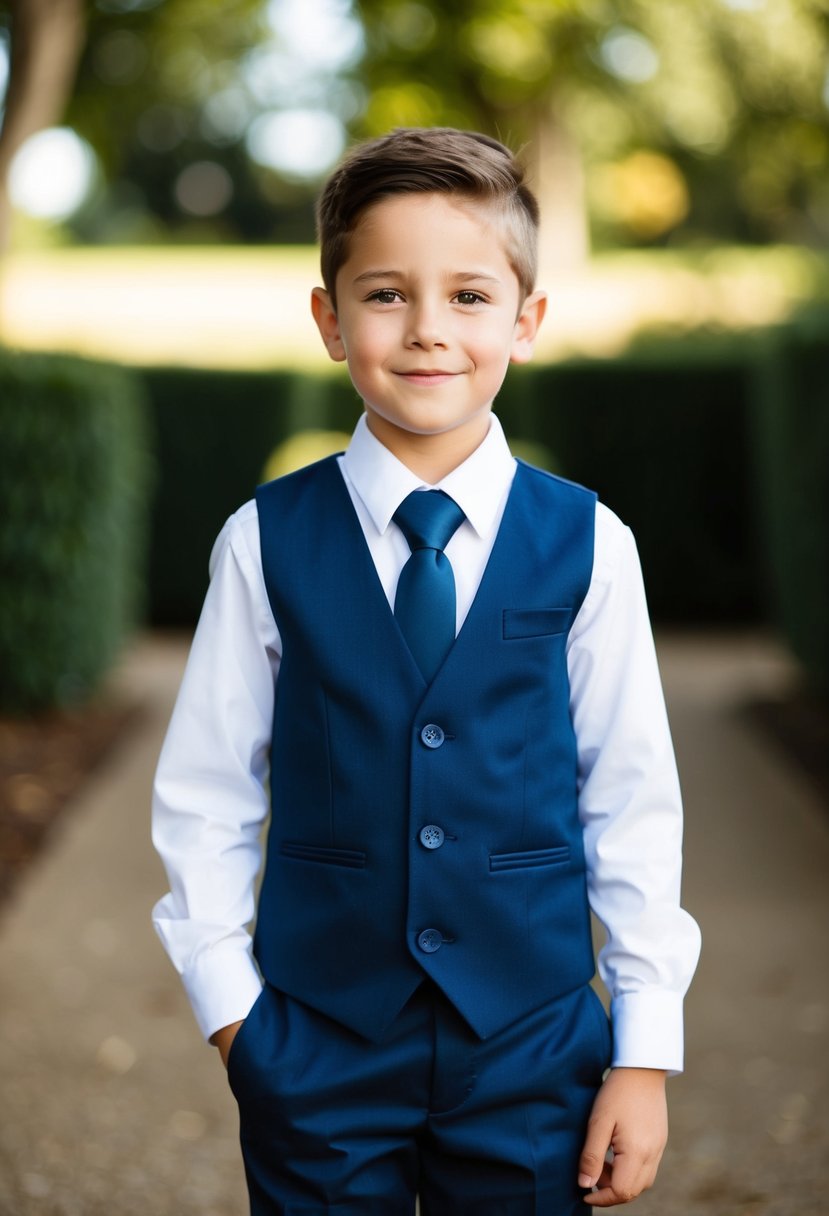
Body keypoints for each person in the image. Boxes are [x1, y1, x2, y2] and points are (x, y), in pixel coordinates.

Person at [152, 126, 701, 1215]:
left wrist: (642, 1050)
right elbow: (206, 796)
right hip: (317, 1046)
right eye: (387, 295)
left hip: (533, 1046)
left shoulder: (592, 544)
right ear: (329, 318)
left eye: (468, 296)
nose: (428, 331)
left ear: (526, 321)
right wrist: (238, 1022)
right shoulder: (264, 541)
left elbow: (631, 801)